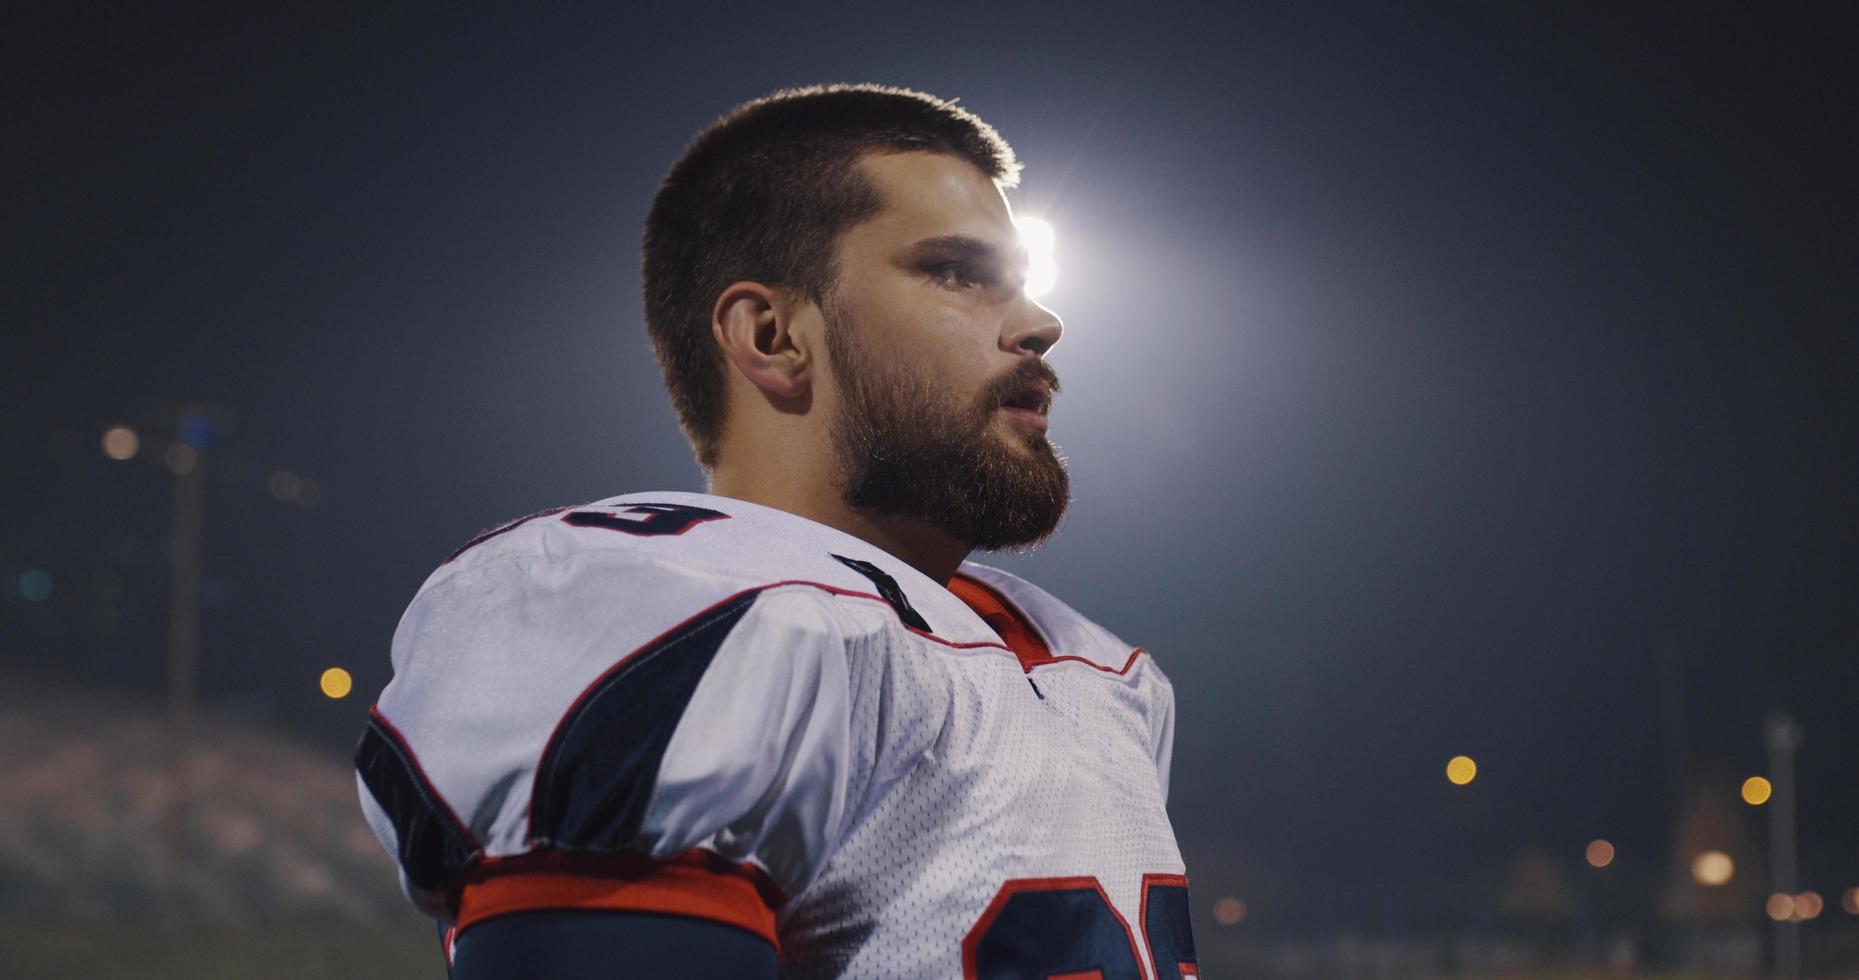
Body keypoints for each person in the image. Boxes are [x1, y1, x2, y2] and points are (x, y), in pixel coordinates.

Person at [355, 83, 1195, 979]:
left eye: (1022, 286)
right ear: (770, 335)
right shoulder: (678, 609)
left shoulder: (1092, 670)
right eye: (956, 271)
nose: (1039, 324)